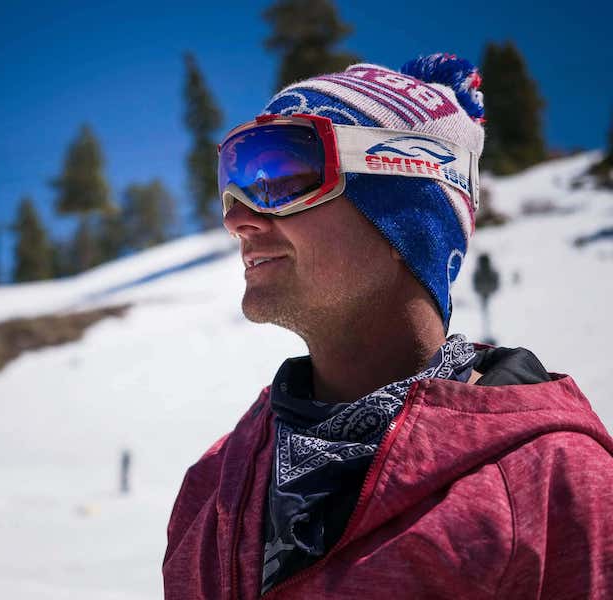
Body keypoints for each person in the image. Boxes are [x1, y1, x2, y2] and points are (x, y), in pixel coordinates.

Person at [163, 54, 613, 599]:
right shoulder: (214, 486)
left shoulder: (551, 486)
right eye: (233, 178)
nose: (237, 218)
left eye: (279, 173)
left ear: (406, 212)